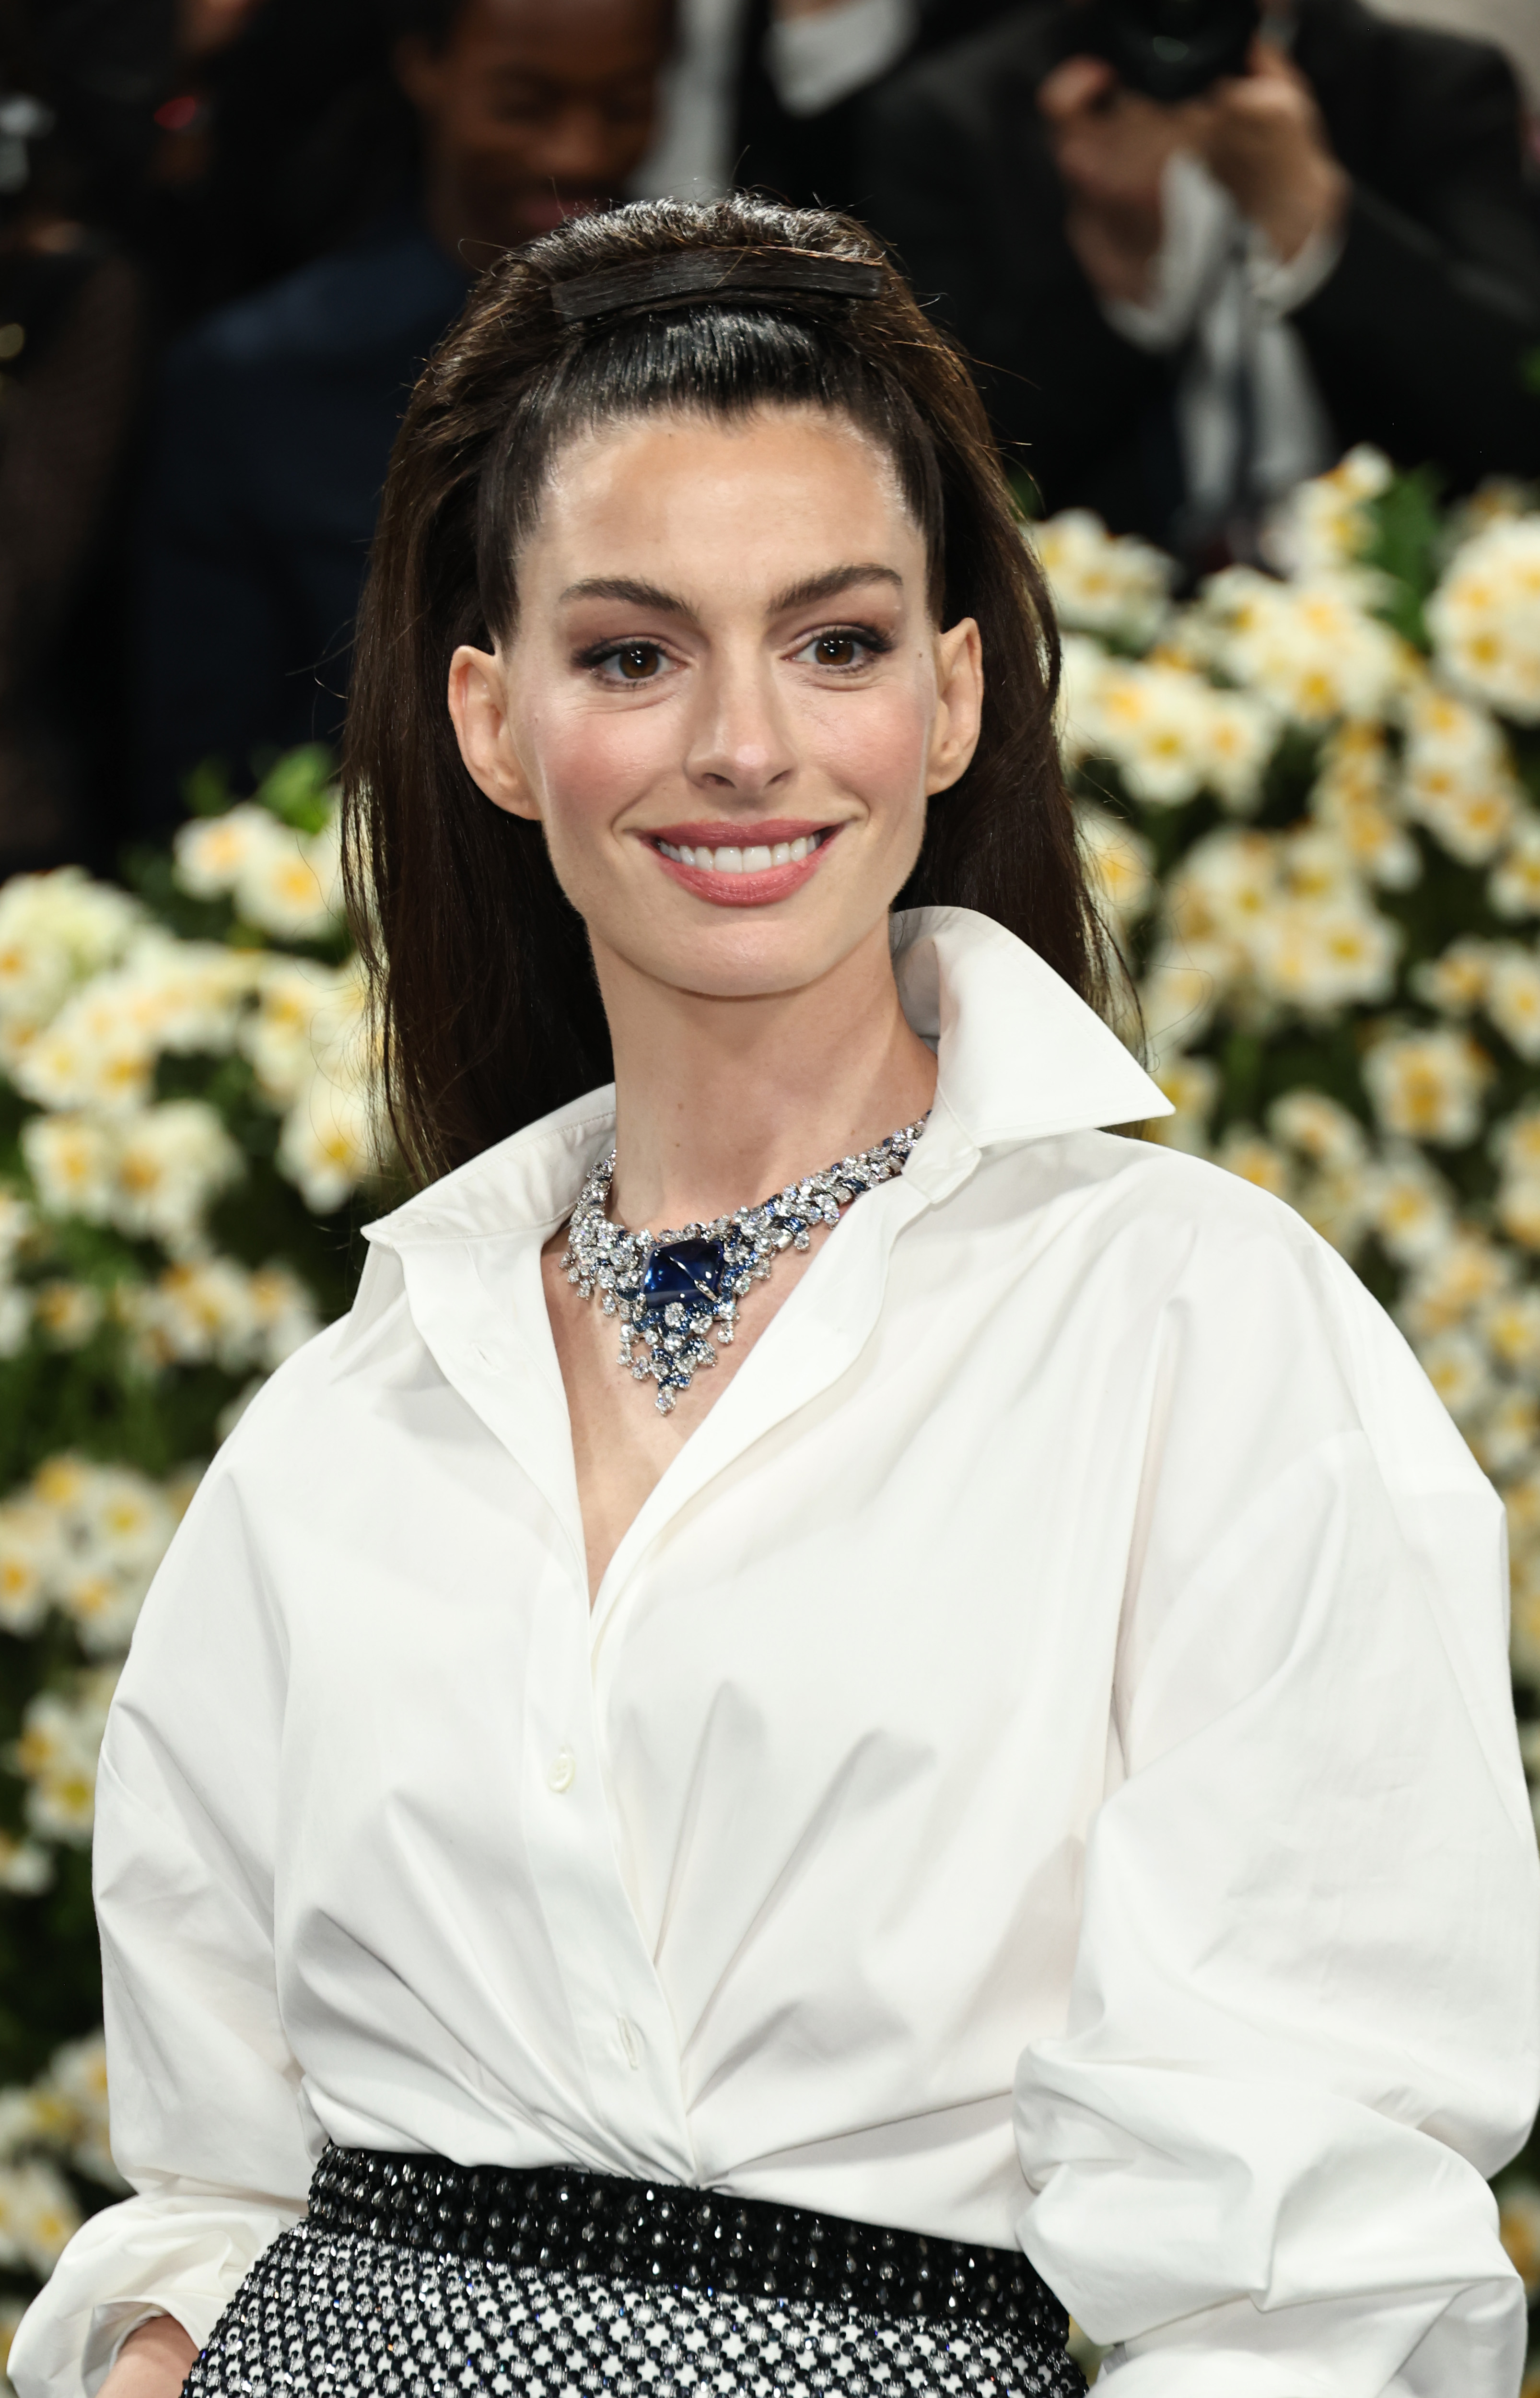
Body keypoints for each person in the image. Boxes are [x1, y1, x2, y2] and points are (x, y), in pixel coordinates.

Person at [13, 194, 1537, 2398]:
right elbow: (216, 2179)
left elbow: (1313, 2284)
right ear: (494, 720)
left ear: (949, 694)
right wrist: (162, 2341)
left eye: (831, 642)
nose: (745, 744)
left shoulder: (1202, 1338)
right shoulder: (345, 1423)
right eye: (631, 654)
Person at [134, 0, 675, 831]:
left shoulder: (730, 366)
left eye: (626, 105)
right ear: (424, 63)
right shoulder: (259, 379)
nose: (579, 151)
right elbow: (205, 766)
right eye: (523, 106)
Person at [858, 0, 1540, 554]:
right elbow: (946, 479)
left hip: (1396, 601)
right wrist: (1119, 282)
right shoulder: (961, 115)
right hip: (1103, 623)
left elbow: (1518, 411)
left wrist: (1320, 228)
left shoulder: (1430, 85)